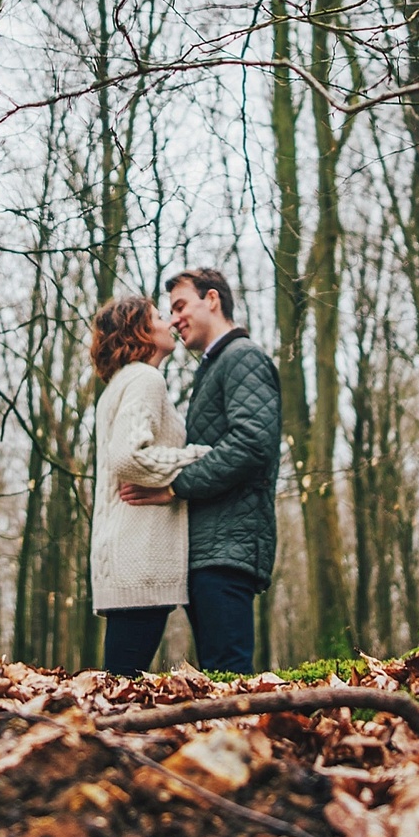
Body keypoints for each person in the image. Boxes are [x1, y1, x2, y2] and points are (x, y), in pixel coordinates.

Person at [115, 264, 282, 675]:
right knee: (217, 676)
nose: (174, 318)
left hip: (229, 547)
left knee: (228, 674)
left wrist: (176, 488)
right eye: (170, 311)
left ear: (212, 299)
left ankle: (242, 741)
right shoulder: (216, 365)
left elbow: (251, 444)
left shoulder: (242, 357)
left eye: (180, 305)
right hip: (210, 546)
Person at [86, 291, 194, 677]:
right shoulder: (146, 379)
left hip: (122, 554)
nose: (170, 323)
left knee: (116, 678)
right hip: (138, 556)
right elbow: (129, 456)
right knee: (121, 681)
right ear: (141, 330)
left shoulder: (119, 384)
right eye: (159, 317)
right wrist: (196, 458)